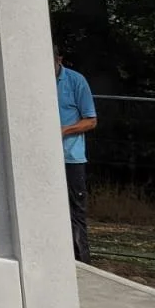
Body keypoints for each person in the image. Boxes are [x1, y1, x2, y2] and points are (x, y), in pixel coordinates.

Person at [55, 46, 97, 262]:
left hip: (71, 157)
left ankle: (83, 263)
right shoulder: (36, 81)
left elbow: (91, 120)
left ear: (59, 59)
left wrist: (61, 131)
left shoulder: (76, 81)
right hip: (43, 159)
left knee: (75, 212)